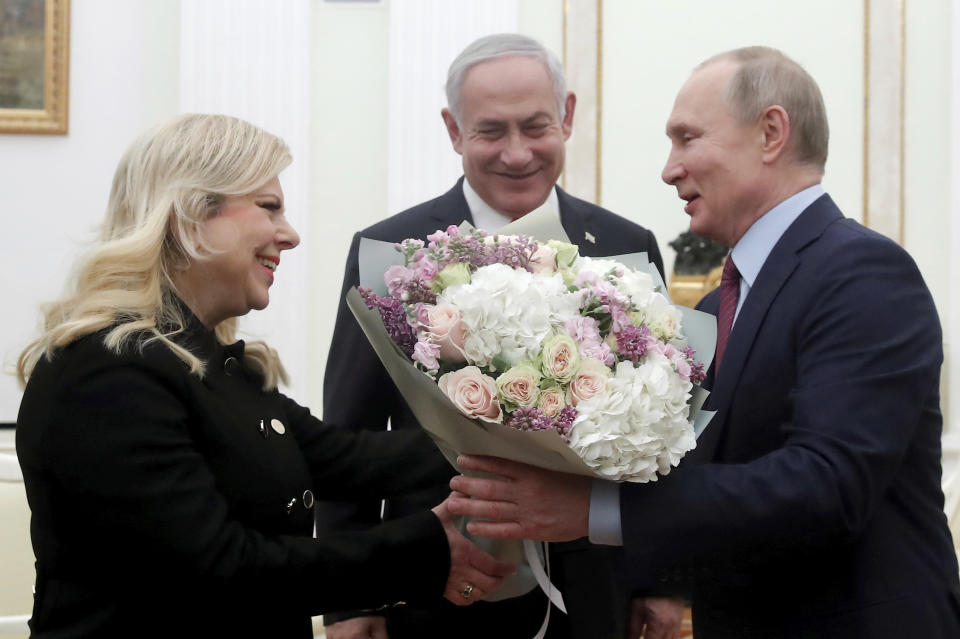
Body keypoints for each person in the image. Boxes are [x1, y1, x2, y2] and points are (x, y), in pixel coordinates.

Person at [446, 46, 960, 638]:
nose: (669, 168)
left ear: (771, 132)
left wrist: (591, 509)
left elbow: (828, 486)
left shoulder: (862, 272)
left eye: (687, 138)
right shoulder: (721, 302)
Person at [14, 114, 515, 639]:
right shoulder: (108, 373)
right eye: (269, 208)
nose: (291, 235)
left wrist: (525, 429)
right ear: (191, 213)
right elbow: (222, 569)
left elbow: (352, 461)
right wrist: (425, 550)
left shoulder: (210, 365)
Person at [321, 32, 680, 639]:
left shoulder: (627, 245)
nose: (517, 154)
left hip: (593, 589)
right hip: (438, 586)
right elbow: (349, 435)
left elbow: (664, 427)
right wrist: (352, 601)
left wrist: (663, 579)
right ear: (454, 131)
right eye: (491, 131)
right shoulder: (389, 253)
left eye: (535, 127)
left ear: (566, 118)